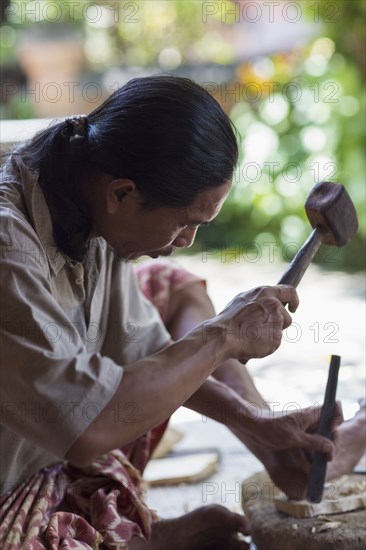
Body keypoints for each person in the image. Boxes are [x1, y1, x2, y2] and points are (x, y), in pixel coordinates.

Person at [0, 75, 354, 549]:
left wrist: (256, 423)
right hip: (21, 476)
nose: (186, 242)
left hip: (46, 452)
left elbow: (149, 352)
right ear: (122, 194)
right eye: (185, 222)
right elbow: (87, 427)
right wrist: (222, 334)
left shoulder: (84, 203)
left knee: (171, 301)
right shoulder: (10, 250)